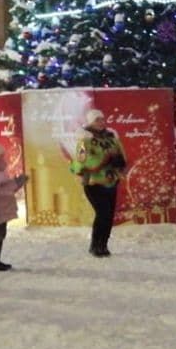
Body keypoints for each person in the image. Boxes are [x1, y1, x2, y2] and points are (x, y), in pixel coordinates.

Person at [70, 109, 126, 257]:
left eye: (102, 119)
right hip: (93, 182)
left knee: (109, 215)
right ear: (90, 122)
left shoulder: (111, 137)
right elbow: (80, 160)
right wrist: (104, 160)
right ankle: (95, 245)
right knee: (102, 213)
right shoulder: (84, 139)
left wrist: (119, 162)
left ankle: (104, 245)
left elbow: (120, 153)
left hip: (111, 180)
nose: (101, 122)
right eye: (97, 120)